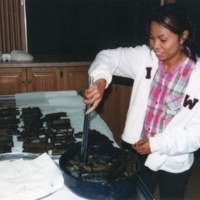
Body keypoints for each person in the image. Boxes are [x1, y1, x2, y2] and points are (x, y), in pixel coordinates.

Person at [83, 3, 200, 200]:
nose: (155, 46)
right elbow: (107, 57)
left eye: (163, 39)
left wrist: (156, 144)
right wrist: (101, 79)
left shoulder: (197, 77)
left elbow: (196, 134)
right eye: (152, 38)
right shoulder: (145, 58)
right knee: (132, 195)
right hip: (137, 150)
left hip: (174, 158)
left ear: (183, 36)